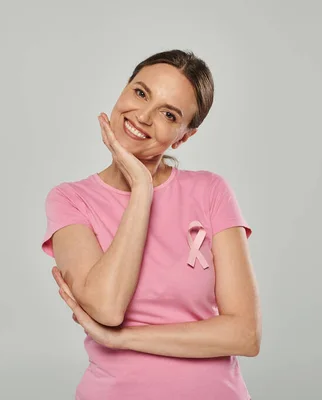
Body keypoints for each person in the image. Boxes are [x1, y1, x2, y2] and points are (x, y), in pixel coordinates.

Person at [40, 49, 261, 400]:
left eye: (168, 114)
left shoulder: (211, 191)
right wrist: (142, 188)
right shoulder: (70, 200)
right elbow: (107, 307)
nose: (143, 116)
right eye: (141, 93)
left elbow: (245, 335)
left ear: (183, 136)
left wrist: (124, 340)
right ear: (124, 89)